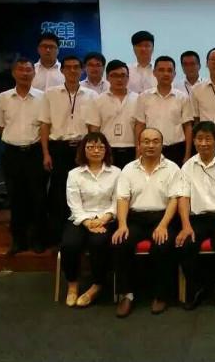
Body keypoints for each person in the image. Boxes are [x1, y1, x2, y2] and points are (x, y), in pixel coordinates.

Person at [112, 128, 182, 317]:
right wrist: (122, 225)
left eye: (155, 141)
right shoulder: (128, 169)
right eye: (146, 141)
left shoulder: (173, 168)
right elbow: (123, 199)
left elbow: (174, 200)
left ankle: (161, 295)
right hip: (135, 218)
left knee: (162, 244)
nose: (151, 145)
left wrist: (163, 225)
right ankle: (127, 295)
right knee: (121, 242)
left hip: (163, 217)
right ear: (139, 145)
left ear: (162, 144)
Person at [176, 121, 215, 310]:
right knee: (185, 244)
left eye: (208, 139)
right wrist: (186, 225)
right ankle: (197, 288)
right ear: (194, 141)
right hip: (196, 218)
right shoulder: (187, 166)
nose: (203, 143)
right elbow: (183, 197)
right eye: (199, 139)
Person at [0, 58, 47, 255]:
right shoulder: (3, 98)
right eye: (21, 70)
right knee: (15, 198)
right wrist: (14, 140)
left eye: (28, 70)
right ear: (14, 73)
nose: (25, 73)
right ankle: (18, 240)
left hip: (35, 152)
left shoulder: (43, 97)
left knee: (38, 197)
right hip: (12, 153)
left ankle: (38, 239)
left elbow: (46, 125)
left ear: (34, 73)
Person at [39, 56, 98, 243]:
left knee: (84, 190)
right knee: (58, 192)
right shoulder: (50, 94)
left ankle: (82, 232)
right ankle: (58, 236)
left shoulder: (92, 95)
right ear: (62, 70)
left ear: (82, 70)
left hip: (82, 147)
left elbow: (93, 127)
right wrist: (46, 153)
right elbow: (45, 125)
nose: (72, 71)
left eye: (76, 67)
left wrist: (93, 151)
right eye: (68, 67)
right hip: (59, 148)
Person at [61, 132, 120, 308]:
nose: (96, 150)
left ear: (106, 150)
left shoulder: (116, 172)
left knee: (99, 242)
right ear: (83, 150)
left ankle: (97, 285)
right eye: (91, 147)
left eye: (100, 147)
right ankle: (72, 285)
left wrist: (104, 218)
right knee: (69, 244)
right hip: (80, 218)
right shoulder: (74, 174)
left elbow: (118, 201)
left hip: (106, 219)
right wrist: (88, 222)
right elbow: (74, 204)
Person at [135, 56, 193, 166]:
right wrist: (138, 153)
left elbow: (188, 127)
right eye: (161, 70)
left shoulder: (182, 98)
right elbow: (140, 125)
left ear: (174, 74)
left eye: (169, 70)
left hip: (176, 149)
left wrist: (187, 155)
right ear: (154, 73)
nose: (166, 74)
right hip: (150, 148)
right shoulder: (144, 97)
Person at [85, 59, 138, 169]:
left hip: (132, 149)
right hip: (107, 150)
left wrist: (139, 151)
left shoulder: (138, 99)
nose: (119, 79)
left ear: (128, 78)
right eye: (114, 75)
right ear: (108, 77)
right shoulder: (98, 100)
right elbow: (94, 130)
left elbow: (140, 128)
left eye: (123, 75)